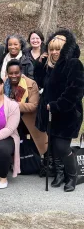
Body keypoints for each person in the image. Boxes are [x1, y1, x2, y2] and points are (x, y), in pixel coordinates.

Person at [35, 29, 84, 192]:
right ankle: (60, 173)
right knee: (54, 146)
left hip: (68, 114)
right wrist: (40, 65)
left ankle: (72, 176)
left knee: (63, 147)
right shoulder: (50, 65)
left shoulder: (74, 63)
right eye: (52, 49)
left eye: (58, 49)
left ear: (66, 49)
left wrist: (57, 105)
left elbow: (75, 91)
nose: (55, 52)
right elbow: (41, 83)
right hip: (51, 113)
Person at [4, 60, 47, 155]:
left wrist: (12, 104)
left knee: (33, 147)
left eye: (16, 73)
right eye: (11, 73)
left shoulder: (30, 84)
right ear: (7, 73)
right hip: (8, 120)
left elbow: (33, 105)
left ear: (21, 72)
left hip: (27, 120)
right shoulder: (3, 83)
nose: (14, 76)